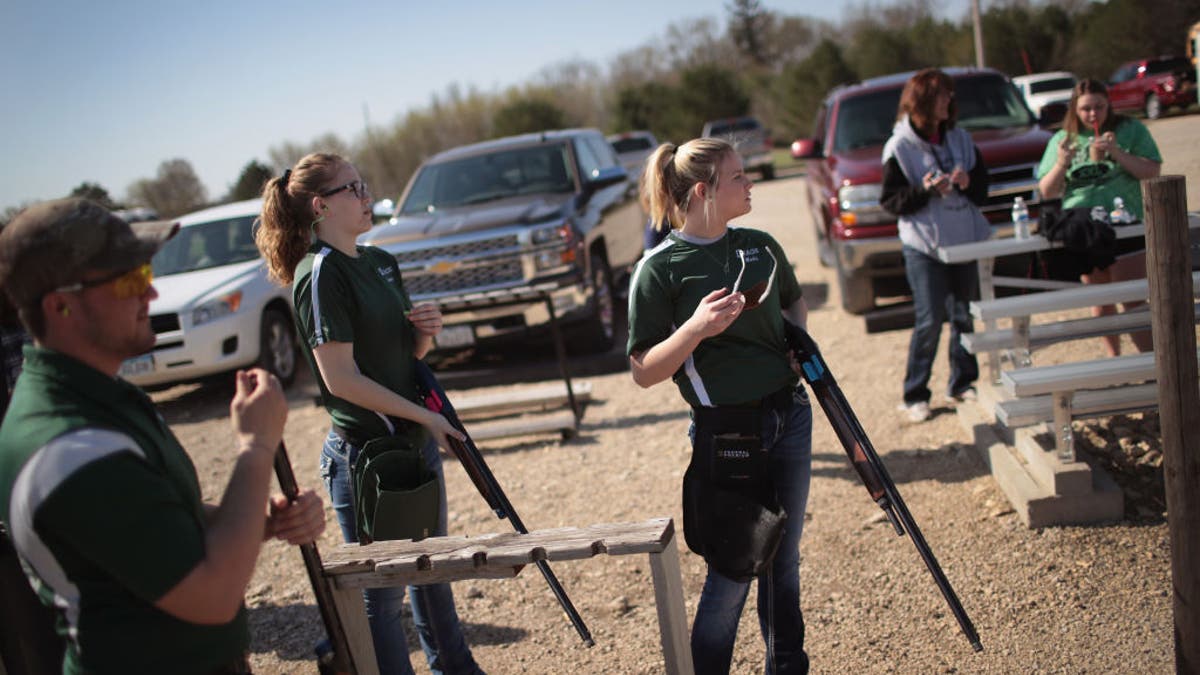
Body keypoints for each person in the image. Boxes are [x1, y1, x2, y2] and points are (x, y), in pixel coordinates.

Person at [0, 198, 326, 675]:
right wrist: (255, 449)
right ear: (61, 305)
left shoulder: (96, 395)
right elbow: (212, 595)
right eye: (130, 280)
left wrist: (264, 521)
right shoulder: (68, 446)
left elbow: (166, 524)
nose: (150, 295)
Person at [256, 153, 484, 675]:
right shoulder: (317, 275)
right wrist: (428, 418)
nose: (366, 197)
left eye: (364, 185)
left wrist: (424, 333)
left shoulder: (381, 261)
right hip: (367, 458)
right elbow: (342, 380)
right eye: (352, 189)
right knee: (382, 596)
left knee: (433, 571)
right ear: (320, 207)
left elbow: (406, 360)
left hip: (414, 444)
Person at [626, 137, 813, 674]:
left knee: (786, 562)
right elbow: (643, 371)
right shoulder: (659, 269)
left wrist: (799, 342)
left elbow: (792, 300)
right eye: (738, 177)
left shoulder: (760, 244)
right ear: (704, 191)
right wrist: (696, 328)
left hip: (791, 414)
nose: (750, 182)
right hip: (728, 431)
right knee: (734, 569)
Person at [880, 68, 991, 423]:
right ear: (923, 101)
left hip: (964, 239)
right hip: (924, 245)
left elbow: (982, 190)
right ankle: (915, 394)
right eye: (942, 95)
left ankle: (962, 382)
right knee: (930, 320)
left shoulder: (960, 138)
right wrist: (925, 190)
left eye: (949, 95)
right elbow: (891, 201)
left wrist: (967, 180)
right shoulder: (899, 146)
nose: (949, 101)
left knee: (965, 315)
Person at [1037, 78, 1162, 356]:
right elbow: (1046, 190)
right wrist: (1061, 163)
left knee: (1131, 299)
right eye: (1085, 109)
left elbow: (1152, 170)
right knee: (1101, 300)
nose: (1093, 114)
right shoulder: (1062, 139)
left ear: (1109, 106)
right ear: (1074, 110)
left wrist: (1116, 153)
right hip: (1084, 227)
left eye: (1099, 107)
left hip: (1125, 222)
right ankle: (1113, 363)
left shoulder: (1129, 130)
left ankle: (1152, 364)